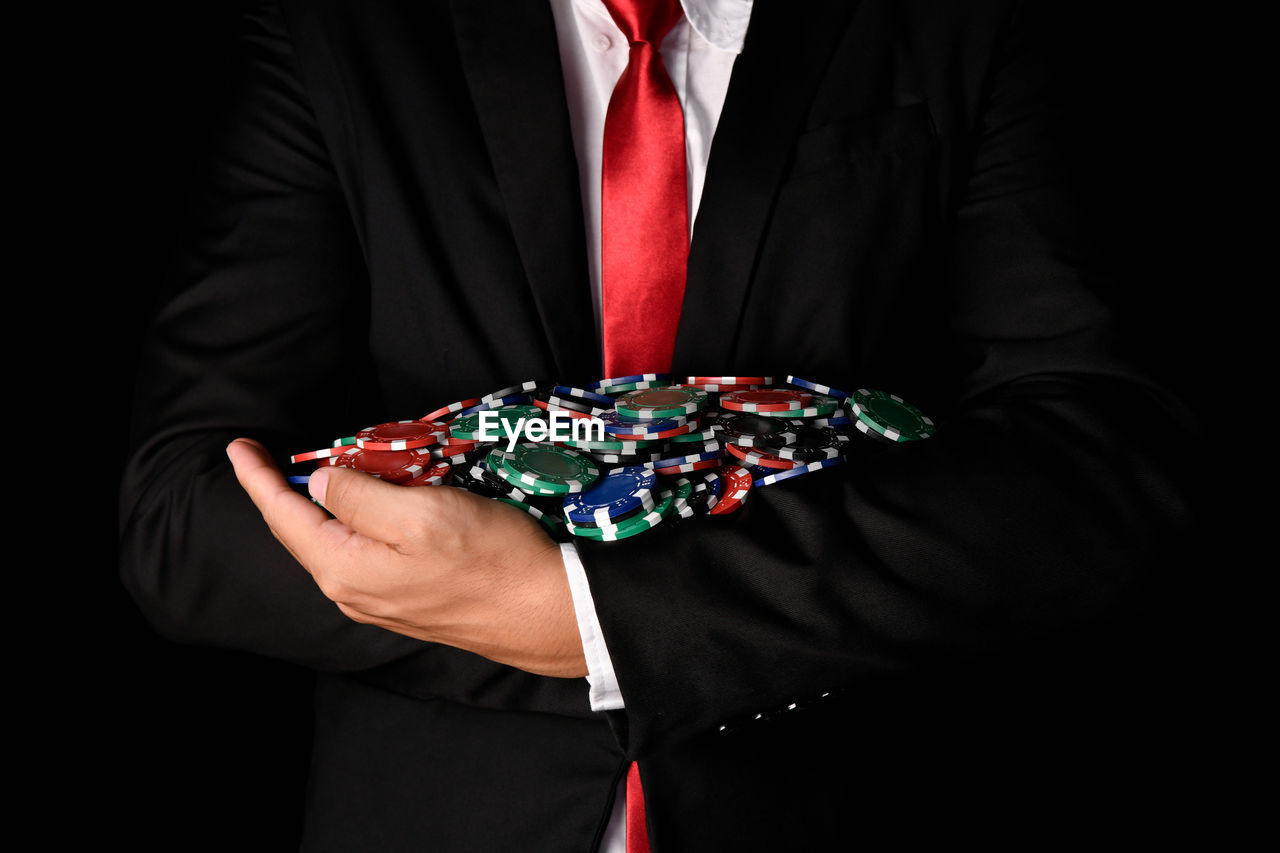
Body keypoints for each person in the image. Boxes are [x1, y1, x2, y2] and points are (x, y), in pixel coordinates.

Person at [119, 0, 1195, 849]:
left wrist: (597, 618)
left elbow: (1093, 474)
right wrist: (529, 620)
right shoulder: (339, 34)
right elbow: (184, 514)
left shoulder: (966, 25)